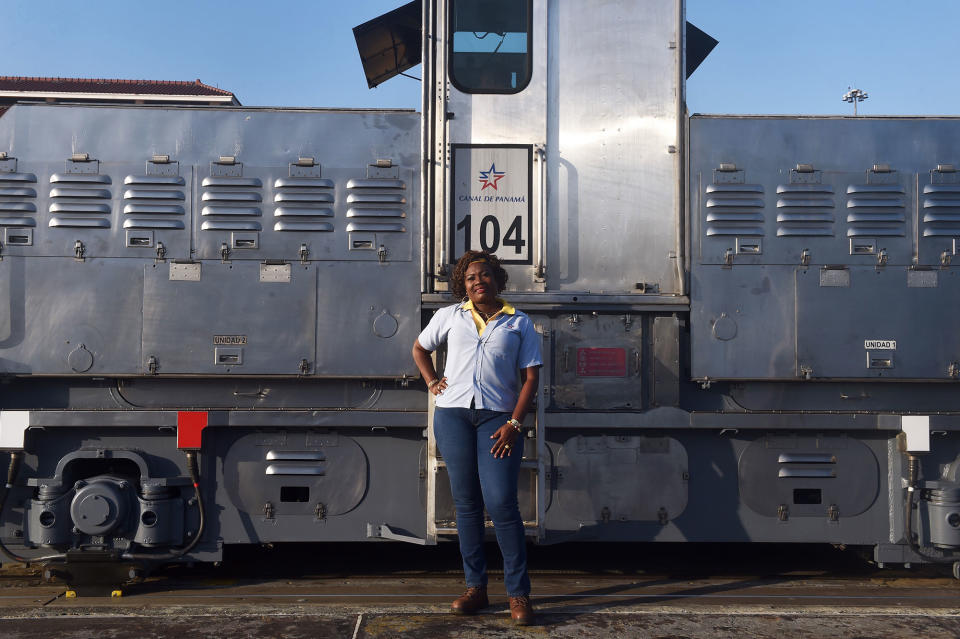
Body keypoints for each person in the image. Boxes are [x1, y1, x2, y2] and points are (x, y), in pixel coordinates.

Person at [412, 250, 542, 626]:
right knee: (466, 504)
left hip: (499, 421)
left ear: (497, 280)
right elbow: (420, 348)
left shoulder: (519, 323)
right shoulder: (449, 317)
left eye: (484, 275)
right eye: (470, 277)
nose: (478, 281)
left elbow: (531, 379)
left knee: (502, 503)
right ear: (462, 285)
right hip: (453, 416)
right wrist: (433, 381)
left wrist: (515, 424)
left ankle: (518, 594)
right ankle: (476, 589)